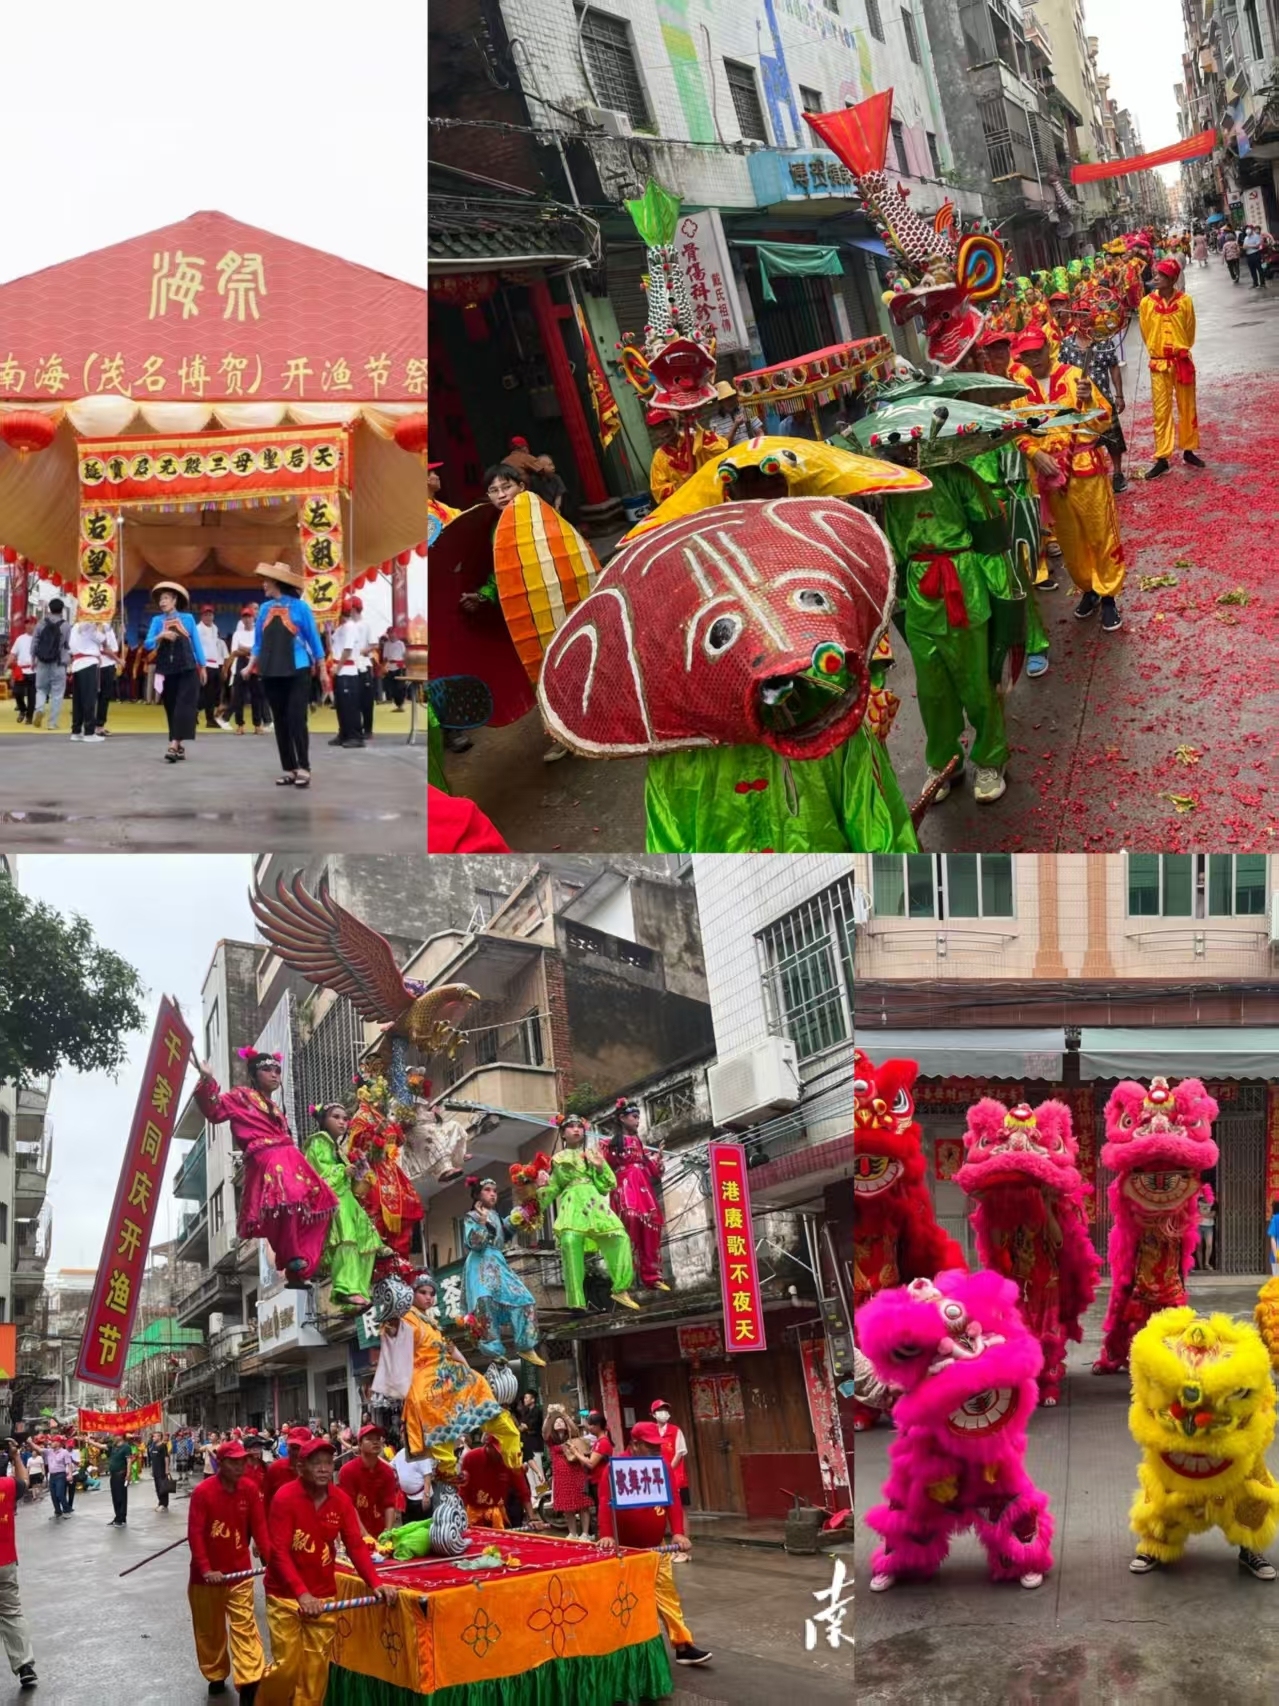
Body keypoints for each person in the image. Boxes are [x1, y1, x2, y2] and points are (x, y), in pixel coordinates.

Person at [260, 1438, 396, 1706]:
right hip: (285, 1596)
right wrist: (301, 1594)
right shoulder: (285, 1497)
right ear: (301, 1468)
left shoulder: (341, 1500)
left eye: (327, 1463)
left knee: (316, 1670)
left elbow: (355, 1546)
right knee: (287, 1666)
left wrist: (376, 1582)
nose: (323, 1469)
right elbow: (278, 1553)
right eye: (316, 1463)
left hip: (323, 1597)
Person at [1012, 326, 1126, 633]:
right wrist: (1035, 454)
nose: (1033, 359)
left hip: (1084, 469)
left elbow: (1104, 420)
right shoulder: (1020, 387)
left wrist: (1089, 402)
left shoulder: (1076, 375)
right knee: (1070, 539)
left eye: (1036, 352)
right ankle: (1087, 587)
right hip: (1051, 477)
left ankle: (1108, 597)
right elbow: (1018, 431)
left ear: (1048, 347)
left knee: (1099, 532)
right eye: (1026, 355)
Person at [194, 1049, 338, 1281]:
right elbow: (214, 1109)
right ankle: (290, 1254)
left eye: (277, 1070)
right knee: (287, 1197)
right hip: (265, 1156)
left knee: (318, 1202)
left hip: (287, 1156)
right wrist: (207, 1079)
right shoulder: (241, 1096)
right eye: (267, 1070)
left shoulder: (276, 1109)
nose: (274, 1075)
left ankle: (298, 1262)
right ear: (253, 1074)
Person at [380, 1273, 523, 1482]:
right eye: (422, 1292)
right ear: (411, 1294)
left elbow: (450, 1348)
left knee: (480, 1388)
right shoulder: (404, 1316)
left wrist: (468, 1370)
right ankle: (446, 1466)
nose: (428, 1297)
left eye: (431, 1293)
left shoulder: (431, 1321)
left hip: (445, 1370)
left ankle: (510, 1443)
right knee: (432, 1405)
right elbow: (391, 1334)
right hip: (423, 1374)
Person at [597, 1421, 712, 1666]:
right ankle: (622, 1653)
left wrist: (678, 1533)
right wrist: (606, 1534)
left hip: (656, 1546)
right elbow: (605, 1502)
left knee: (667, 1595)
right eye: (651, 1447)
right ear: (635, 1444)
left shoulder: (662, 1466)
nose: (656, 1451)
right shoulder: (614, 1468)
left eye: (657, 1446)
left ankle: (683, 1645)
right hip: (624, 1549)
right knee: (625, 1601)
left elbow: (674, 1501)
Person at [187, 1438, 270, 1704]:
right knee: (209, 1630)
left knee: (244, 1625)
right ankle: (215, 1673)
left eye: (243, 1460)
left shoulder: (250, 1489)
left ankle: (249, 1679)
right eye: (234, 1461)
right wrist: (206, 1568)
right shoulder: (203, 1492)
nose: (241, 1466)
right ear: (220, 1464)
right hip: (206, 1578)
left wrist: (272, 1562)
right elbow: (196, 1534)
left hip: (239, 1573)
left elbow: (260, 1530)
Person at [536, 1116, 640, 1313]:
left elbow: (608, 1184)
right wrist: (541, 1187)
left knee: (620, 1237)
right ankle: (576, 1302)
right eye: (571, 1127)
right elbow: (551, 1192)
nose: (576, 1130)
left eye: (579, 1127)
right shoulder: (557, 1160)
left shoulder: (593, 1154)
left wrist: (600, 1167)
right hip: (571, 1204)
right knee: (570, 1242)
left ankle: (621, 1288)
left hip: (594, 1204)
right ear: (563, 1133)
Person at [249, 563, 325, 788]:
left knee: (296, 718)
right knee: (280, 721)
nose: (264, 584)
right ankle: (290, 769)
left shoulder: (300, 608)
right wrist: (250, 665)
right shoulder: (263, 609)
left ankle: (304, 767)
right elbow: (258, 643)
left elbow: (313, 638)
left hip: (297, 669)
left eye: (267, 580)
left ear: (277, 582)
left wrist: (322, 668)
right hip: (271, 670)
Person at [303, 1103, 381, 1309]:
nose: (342, 1122)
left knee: (367, 1240)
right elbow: (316, 1176)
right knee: (346, 1239)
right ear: (323, 1120)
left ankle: (357, 1292)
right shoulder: (317, 1142)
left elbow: (356, 1187)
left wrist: (360, 1169)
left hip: (348, 1200)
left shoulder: (339, 1149)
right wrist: (341, 1171)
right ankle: (345, 1288)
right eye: (336, 1117)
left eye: (345, 1118)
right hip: (335, 1200)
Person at [461, 1174, 545, 1364]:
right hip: (479, 1264)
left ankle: (526, 1345)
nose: (492, 1194)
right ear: (477, 1194)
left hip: (497, 1262)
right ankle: (493, 1350)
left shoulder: (495, 1216)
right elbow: (474, 1244)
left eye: (494, 1191)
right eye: (487, 1190)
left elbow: (506, 1230)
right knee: (484, 1303)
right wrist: (481, 1224)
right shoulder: (471, 1217)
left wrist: (521, 1214)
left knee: (524, 1299)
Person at [1138, 258, 1205, 479]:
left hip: (1181, 362)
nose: (1155, 278)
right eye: (1156, 274)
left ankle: (1188, 449)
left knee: (1187, 406)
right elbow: (1146, 332)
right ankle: (1162, 458)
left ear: (1172, 279)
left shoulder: (1185, 301)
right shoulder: (1146, 303)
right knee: (1161, 411)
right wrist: (1159, 351)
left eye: (1161, 275)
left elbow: (1190, 329)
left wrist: (1180, 350)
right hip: (1158, 364)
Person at [1059, 308, 1129, 494]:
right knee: (1084, 442)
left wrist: (1119, 395)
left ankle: (1117, 473)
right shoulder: (1066, 344)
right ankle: (1089, 475)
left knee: (1112, 439)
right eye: (1077, 315)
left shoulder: (1103, 341)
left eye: (1085, 315)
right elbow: (1060, 370)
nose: (1081, 319)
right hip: (1078, 403)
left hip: (1103, 400)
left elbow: (1113, 367)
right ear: (1072, 318)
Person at [606, 1101, 668, 1292]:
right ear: (622, 1118)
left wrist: (658, 1163)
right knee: (630, 1220)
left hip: (642, 1186)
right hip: (626, 1185)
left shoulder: (639, 1144)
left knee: (652, 1225)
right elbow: (605, 1169)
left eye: (638, 1116)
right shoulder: (610, 1144)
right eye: (634, 1116)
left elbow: (652, 1170)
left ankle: (652, 1275)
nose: (637, 1120)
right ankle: (626, 1276)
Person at [143, 582, 207, 762]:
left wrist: (202, 667)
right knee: (170, 707)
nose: (162, 602)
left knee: (182, 707)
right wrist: (160, 636)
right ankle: (178, 746)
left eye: (166, 598)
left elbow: (196, 644)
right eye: (161, 599)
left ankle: (173, 745)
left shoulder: (187, 619)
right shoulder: (157, 621)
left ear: (174, 600)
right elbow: (148, 644)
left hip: (187, 668)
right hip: (167, 669)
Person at [0, 1442, 36, 1690]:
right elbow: (25, 1482)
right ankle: (24, 1665)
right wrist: (16, 1458)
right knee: (11, 1613)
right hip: (4, 1562)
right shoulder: (6, 1486)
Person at [458, 1433, 534, 1530]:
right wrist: (460, 1517)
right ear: (488, 1446)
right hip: (474, 1513)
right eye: (499, 1451)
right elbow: (463, 1490)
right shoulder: (471, 1458)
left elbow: (523, 1490)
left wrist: (532, 1518)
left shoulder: (510, 1460)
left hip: (498, 1512)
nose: (502, 1454)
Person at [337, 1424, 400, 1540]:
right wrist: (365, 1535)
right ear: (360, 1445)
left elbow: (389, 1505)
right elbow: (348, 1506)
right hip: (354, 1533)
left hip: (379, 1531)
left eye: (378, 1439)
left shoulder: (387, 1472)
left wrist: (388, 1534)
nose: (375, 1442)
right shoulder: (347, 1471)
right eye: (369, 1439)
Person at [543, 1406, 593, 1538]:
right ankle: (573, 1533)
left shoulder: (572, 1436)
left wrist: (565, 1414)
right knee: (567, 1507)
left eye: (562, 1422)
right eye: (556, 1422)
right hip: (561, 1477)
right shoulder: (550, 1440)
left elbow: (575, 1429)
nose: (559, 1423)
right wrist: (549, 1416)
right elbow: (544, 1431)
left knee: (583, 1504)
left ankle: (585, 1533)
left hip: (576, 1473)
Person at [328, 604, 367, 750]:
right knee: (341, 705)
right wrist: (327, 631)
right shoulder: (340, 628)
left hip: (348, 671)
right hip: (339, 670)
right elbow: (332, 647)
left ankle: (356, 736)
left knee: (350, 706)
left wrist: (338, 668)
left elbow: (348, 649)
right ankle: (344, 733)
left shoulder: (351, 626)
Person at [31, 598, 70, 732]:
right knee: (57, 694)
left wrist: (32, 660)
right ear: (62, 610)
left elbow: (34, 643)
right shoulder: (66, 626)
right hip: (58, 663)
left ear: (49, 609)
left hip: (42, 662)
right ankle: (52, 723)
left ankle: (40, 709)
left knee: (41, 689)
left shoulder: (41, 623)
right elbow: (68, 645)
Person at [228, 604, 267, 735]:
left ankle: (257, 724)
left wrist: (244, 648)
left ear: (253, 618)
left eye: (249, 616)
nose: (247, 619)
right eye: (244, 617)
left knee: (257, 696)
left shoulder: (259, 632)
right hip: (241, 663)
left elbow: (261, 649)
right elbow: (234, 651)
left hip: (255, 664)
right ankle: (240, 725)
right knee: (239, 696)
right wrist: (251, 650)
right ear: (241, 619)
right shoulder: (237, 634)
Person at [192, 606, 229, 730]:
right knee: (204, 692)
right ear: (201, 616)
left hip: (215, 664)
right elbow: (194, 647)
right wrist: (198, 665)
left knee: (213, 694)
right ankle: (202, 715)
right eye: (206, 615)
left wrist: (221, 666)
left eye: (210, 614)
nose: (208, 617)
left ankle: (203, 715)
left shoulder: (215, 628)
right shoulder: (197, 629)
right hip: (203, 664)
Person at [650, 1400, 690, 1506]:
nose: (663, 1412)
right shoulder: (651, 1432)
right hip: (657, 1478)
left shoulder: (676, 1430)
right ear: (654, 1414)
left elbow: (679, 1453)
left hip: (676, 1477)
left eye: (665, 1410)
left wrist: (668, 1470)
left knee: (680, 1508)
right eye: (659, 1410)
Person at [263, 1427, 313, 1510]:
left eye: (300, 1448)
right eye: (293, 1447)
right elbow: (266, 1501)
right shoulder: (275, 1468)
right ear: (287, 1447)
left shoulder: (315, 1471)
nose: (296, 1452)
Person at [390, 1443, 431, 1525]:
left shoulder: (420, 1452)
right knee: (407, 1526)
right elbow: (389, 1466)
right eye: (403, 1433)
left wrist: (426, 1496)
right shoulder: (400, 1454)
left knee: (421, 1526)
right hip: (406, 1498)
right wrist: (376, 1458)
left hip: (421, 1498)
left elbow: (427, 1475)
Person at [5, 620, 36, 725]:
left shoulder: (38, 639)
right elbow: (13, 653)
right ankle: (22, 709)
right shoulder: (20, 639)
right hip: (21, 670)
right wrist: (6, 665)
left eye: (31, 624)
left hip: (33, 670)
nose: (29, 626)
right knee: (17, 692)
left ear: (35, 625)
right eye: (27, 624)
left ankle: (29, 716)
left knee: (32, 695)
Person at [93, 622, 121, 734]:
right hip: (102, 665)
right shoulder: (99, 625)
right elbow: (104, 649)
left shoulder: (108, 626)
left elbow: (113, 646)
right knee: (100, 696)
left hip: (109, 664)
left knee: (105, 696)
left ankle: (99, 724)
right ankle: (96, 725)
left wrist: (120, 634)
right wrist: (119, 660)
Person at [44, 1437, 73, 1520]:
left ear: (58, 1443)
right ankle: (58, 1512)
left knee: (60, 1494)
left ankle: (67, 1510)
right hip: (52, 1476)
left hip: (60, 1475)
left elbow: (69, 1464)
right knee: (53, 1495)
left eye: (53, 1441)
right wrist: (30, 1442)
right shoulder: (49, 1451)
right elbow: (38, 1449)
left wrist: (70, 1474)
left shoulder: (64, 1452)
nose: (51, 1442)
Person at [380, 627, 408, 710]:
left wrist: (404, 665)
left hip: (399, 667)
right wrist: (383, 667)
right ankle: (397, 704)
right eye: (389, 634)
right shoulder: (386, 644)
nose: (391, 635)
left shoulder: (400, 644)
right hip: (390, 667)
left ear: (395, 634)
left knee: (400, 687)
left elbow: (405, 656)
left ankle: (401, 704)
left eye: (392, 633)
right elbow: (385, 658)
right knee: (392, 687)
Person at [107, 1433, 132, 1526]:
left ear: (121, 1436)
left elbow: (129, 1461)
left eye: (115, 1435)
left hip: (121, 1474)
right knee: (115, 1497)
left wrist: (128, 1474)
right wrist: (89, 1441)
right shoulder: (113, 1446)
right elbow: (102, 1446)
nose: (114, 1437)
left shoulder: (126, 1447)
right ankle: (118, 1517)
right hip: (113, 1475)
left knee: (121, 1496)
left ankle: (121, 1518)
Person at [149, 1431, 172, 1512]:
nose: (153, 1438)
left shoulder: (163, 1446)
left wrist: (167, 1470)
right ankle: (160, 1502)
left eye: (155, 1437)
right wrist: (152, 1470)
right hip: (155, 1470)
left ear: (159, 1437)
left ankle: (164, 1504)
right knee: (157, 1487)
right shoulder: (153, 1446)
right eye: (153, 1437)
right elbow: (152, 1459)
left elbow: (166, 1458)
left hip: (162, 1470)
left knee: (163, 1487)